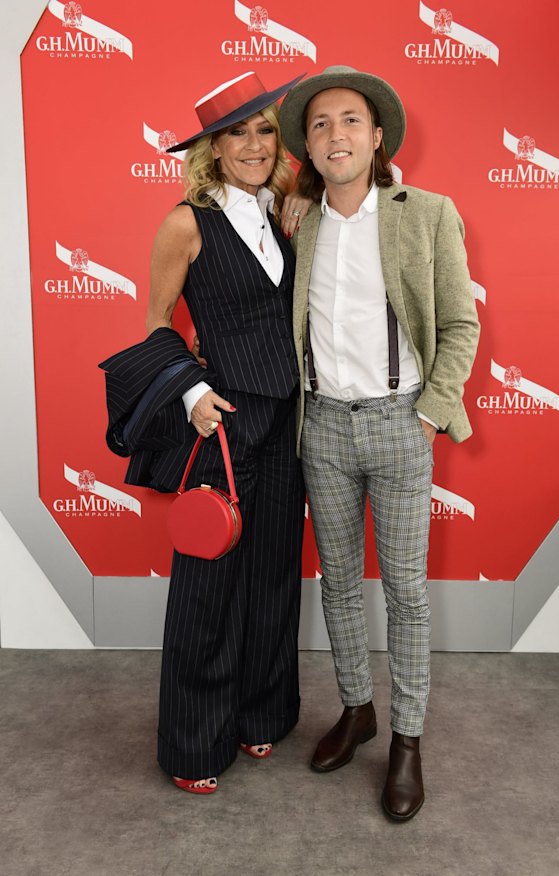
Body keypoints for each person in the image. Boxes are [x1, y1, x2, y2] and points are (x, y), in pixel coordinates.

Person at [278, 66, 480, 820]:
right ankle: (357, 709)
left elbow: (460, 325)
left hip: (400, 424)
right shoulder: (294, 219)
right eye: (322, 123)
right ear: (308, 143)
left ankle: (406, 739)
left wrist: (429, 412)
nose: (337, 133)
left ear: (378, 137)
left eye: (352, 120)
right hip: (322, 427)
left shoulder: (426, 212)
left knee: (406, 595)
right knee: (336, 585)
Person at [145, 71, 310, 794]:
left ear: (280, 142)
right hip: (224, 420)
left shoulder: (288, 213)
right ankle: (191, 744)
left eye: (265, 130)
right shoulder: (186, 221)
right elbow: (155, 327)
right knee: (209, 584)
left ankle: (259, 714)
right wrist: (193, 392)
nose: (253, 144)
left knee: (273, 572)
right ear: (212, 148)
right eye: (236, 132)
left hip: (291, 419)